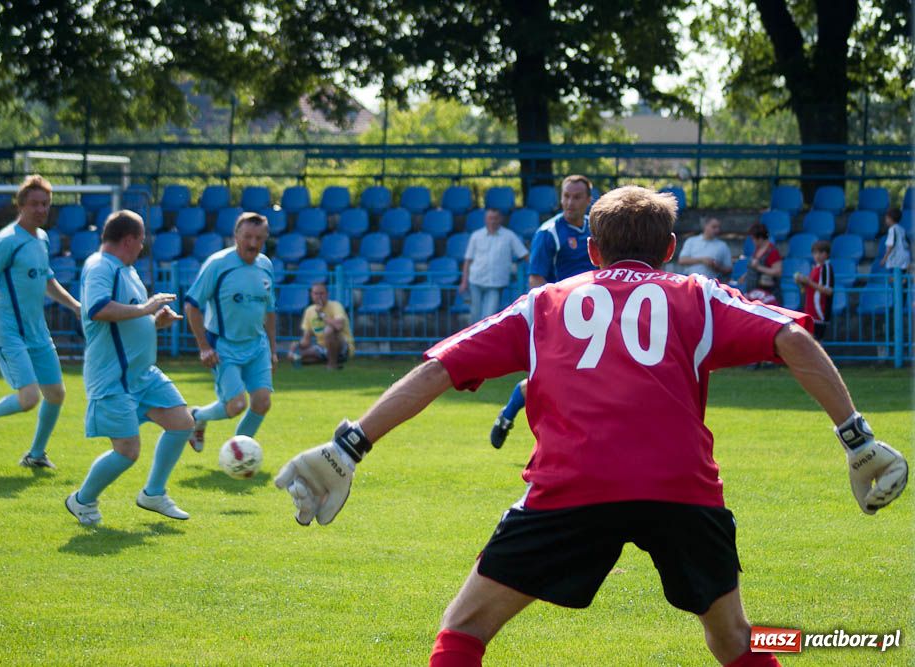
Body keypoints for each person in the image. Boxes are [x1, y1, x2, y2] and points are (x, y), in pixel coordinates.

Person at [274, 185, 907, 667]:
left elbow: (439, 368)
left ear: (591, 248)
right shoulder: (697, 294)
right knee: (735, 640)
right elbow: (794, 338)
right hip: (680, 489)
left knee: (461, 632)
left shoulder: (544, 303)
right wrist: (855, 437)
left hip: (571, 487)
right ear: (669, 249)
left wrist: (349, 444)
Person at [65, 210, 193, 526]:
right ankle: (82, 500)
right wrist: (146, 307)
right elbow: (96, 310)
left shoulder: (126, 269)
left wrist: (154, 321)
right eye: (141, 240)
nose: (142, 247)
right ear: (129, 239)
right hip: (113, 376)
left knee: (182, 423)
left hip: (142, 373)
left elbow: (129, 318)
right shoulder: (99, 267)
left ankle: (153, 493)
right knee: (127, 451)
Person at [0, 174, 81, 469]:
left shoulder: (42, 238)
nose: (41, 209)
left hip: (37, 331)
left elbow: (48, 279)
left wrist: (76, 306)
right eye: (36, 204)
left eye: (46, 204)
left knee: (56, 394)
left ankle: (35, 456)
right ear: (21, 205)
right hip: (9, 331)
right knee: (29, 398)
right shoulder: (7, 241)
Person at [490, 174, 594, 448]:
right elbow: (536, 282)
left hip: (596, 317)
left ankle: (581, 439)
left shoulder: (596, 230)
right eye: (566, 196)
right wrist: (551, 319)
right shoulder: (548, 234)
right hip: (563, 317)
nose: (570, 202)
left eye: (576, 197)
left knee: (589, 378)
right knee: (554, 380)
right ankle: (511, 413)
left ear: (588, 200)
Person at [183, 213, 278, 452]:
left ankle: (239, 453)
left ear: (265, 238)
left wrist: (273, 350)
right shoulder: (218, 264)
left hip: (257, 346)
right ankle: (196, 416)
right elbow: (191, 305)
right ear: (235, 236)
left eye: (259, 238)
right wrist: (204, 347)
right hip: (223, 346)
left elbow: (270, 310)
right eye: (247, 237)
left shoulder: (266, 265)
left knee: (262, 403)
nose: (253, 243)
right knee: (236, 405)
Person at [459, 208, 528, 322]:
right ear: (486, 219)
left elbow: (524, 254)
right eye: (490, 218)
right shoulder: (476, 236)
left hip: (496, 284)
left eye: (495, 218)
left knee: (489, 318)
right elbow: (468, 260)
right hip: (475, 281)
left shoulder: (509, 236)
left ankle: (484, 340)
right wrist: (464, 281)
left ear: (500, 219)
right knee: (474, 316)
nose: (493, 221)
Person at [288, 282, 354, 370]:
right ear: (311, 295)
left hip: (343, 347)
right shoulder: (309, 311)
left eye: (321, 293)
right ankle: (328, 360)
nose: (319, 296)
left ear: (327, 294)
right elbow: (306, 340)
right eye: (315, 293)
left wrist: (321, 314)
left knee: (329, 330)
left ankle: (332, 365)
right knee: (296, 356)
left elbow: (339, 326)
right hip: (322, 348)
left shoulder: (335, 306)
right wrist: (296, 346)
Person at [794, 240, 834, 340]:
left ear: (827, 254)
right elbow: (810, 287)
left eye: (821, 252)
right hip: (811, 311)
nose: (818, 255)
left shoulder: (826, 268)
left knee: (815, 344)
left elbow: (828, 290)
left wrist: (808, 281)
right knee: (811, 343)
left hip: (819, 312)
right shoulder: (815, 268)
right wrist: (802, 282)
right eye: (815, 253)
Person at [740, 222, 782, 305]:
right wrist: (745, 276)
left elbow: (778, 272)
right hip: (755, 294)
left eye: (753, 239)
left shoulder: (772, 252)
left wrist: (758, 267)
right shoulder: (758, 249)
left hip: (768, 296)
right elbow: (753, 267)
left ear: (760, 238)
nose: (752, 241)